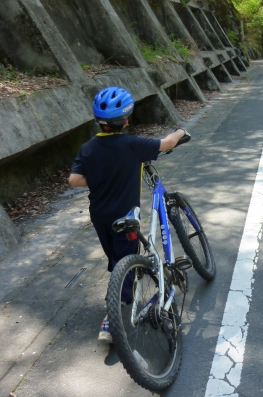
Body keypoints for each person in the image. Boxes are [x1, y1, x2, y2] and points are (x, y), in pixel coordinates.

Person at [68, 86, 186, 343]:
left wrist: (100, 177)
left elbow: (74, 179)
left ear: (99, 121)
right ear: (126, 120)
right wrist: (180, 131)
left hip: (100, 215)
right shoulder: (132, 145)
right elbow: (166, 143)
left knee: (114, 257)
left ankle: (118, 282)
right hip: (125, 216)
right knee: (127, 258)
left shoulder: (87, 149)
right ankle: (114, 316)